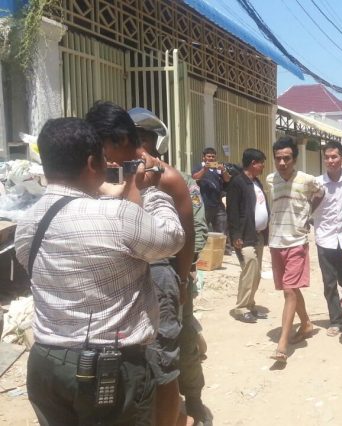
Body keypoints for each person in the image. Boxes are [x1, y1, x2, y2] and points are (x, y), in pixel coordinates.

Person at [15, 117, 185, 425]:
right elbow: (172, 238)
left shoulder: (28, 222)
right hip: (108, 370)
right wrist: (150, 191)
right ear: (93, 163)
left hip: (46, 365)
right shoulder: (118, 216)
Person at [87, 102, 195, 426]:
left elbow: (186, 237)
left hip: (157, 274)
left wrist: (183, 281)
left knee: (162, 363)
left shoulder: (166, 177)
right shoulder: (103, 173)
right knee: (124, 359)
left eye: (102, 145)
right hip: (116, 276)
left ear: (120, 140)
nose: (100, 154)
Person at [127, 107, 209, 425]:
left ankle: (194, 399)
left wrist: (182, 276)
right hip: (130, 275)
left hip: (171, 273)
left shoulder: (177, 179)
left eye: (142, 138)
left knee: (181, 342)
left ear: (156, 141)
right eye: (131, 138)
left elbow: (196, 229)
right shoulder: (118, 176)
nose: (137, 145)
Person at [266, 136, 324, 363]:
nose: (282, 163)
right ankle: (306, 323)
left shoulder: (307, 180)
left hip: (297, 241)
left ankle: (282, 344)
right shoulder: (271, 179)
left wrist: (308, 214)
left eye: (287, 158)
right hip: (275, 241)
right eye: (278, 158)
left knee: (289, 290)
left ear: (295, 159)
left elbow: (321, 193)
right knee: (289, 289)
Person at [313, 141, 342, 337]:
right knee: (329, 283)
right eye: (327, 157)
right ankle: (337, 320)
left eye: (334, 157)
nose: (330, 161)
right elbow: (306, 206)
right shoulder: (316, 184)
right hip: (325, 238)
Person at [226, 148, 270, 324]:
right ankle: (241, 308)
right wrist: (236, 235)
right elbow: (232, 211)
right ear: (253, 163)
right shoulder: (237, 183)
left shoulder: (256, 182)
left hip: (257, 235)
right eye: (261, 163)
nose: (263, 167)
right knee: (249, 269)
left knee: (256, 273)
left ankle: (250, 305)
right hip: (244, 236)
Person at [192, 147, 231, 233]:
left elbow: (227, 179)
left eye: (213, 156)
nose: (211, 158)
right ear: (203, 157)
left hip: (218, 204)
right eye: (209, 156)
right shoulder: (199, 166)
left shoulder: (217, 167)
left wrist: (224, 170)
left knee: (222, 231)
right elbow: (194, 178)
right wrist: (204, 169)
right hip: (204, 204)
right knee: (202, 229)